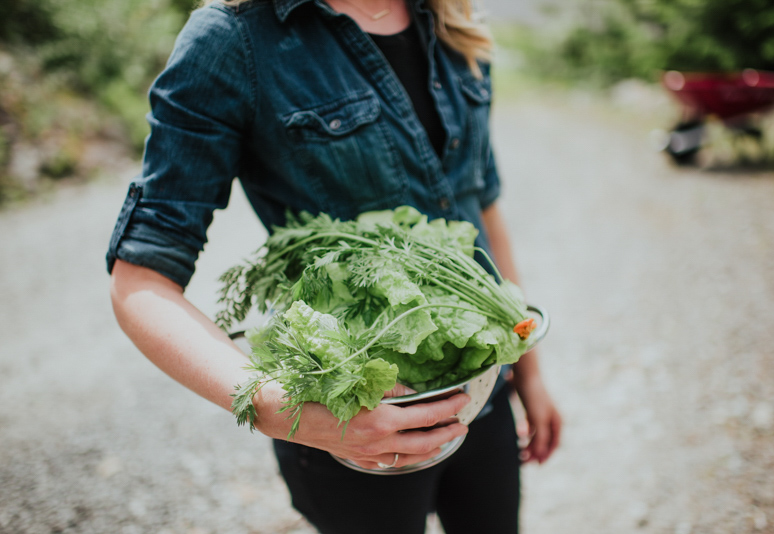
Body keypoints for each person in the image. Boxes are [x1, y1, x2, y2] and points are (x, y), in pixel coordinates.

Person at [106, 0, 561, 532]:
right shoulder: (235, 39)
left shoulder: (450, 17)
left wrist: (529, 372)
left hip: (483, 396)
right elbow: (139, 279)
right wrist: (275, 405)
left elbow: (478, 203)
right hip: (350, 410)